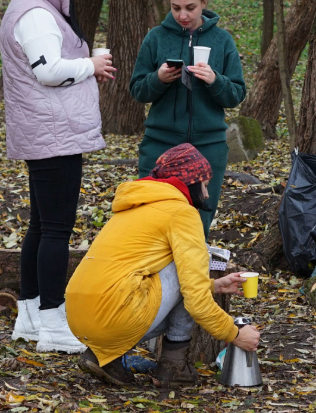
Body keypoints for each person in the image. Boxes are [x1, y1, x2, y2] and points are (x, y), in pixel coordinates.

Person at [0, 0, 116, 354]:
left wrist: (85, 67)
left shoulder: (29, 7)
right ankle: (52, 321)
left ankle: (30, 315)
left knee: (41, 225)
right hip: (54, 133)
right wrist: (92, 66)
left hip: (48, 131)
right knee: (55, 230)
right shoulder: (36, 16)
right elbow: (47, 70)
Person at [66, 144, 262, 387]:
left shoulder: (134, 206)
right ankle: (173, 365)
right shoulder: (181, 213)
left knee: (185, 275)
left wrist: (213, 285)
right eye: (204, 183)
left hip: (77, 319)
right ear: (190, 182)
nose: (207, 193)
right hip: (116, 317)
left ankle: (104, 357)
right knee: (186, 269)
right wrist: (236, 334)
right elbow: (195, 299)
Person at [130, 0, 247, 238]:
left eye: (190, 8)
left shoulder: (222, 41)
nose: (183, 15)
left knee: (197, 225)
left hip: (208, 146)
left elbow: (236, 95)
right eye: (176, 8)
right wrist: (158, 79)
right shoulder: (156, 38)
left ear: (204, 2)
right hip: (160, 144)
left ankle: (193, 279)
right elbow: (137, 90)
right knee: (150, 221)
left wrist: (215, 80)